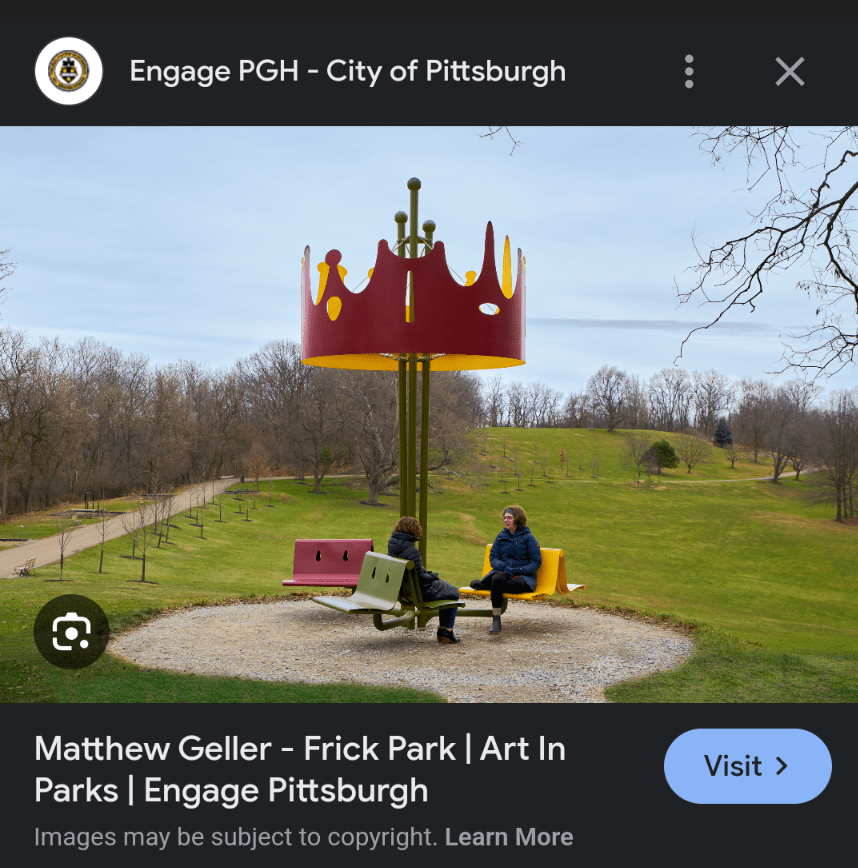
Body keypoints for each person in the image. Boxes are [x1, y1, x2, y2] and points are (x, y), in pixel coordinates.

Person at [387, 516, 461, 644]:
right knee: (453, 592)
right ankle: (446, 632)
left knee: (447, 590)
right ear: (414, 530)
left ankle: (444, 631)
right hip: (420, 592)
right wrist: (433, 576)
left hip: (406, 591)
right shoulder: (412, 550)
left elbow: (416, 572)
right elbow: (421, 578)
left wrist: (427, 574)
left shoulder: (392, 545)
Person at [470, 504, 541, 634]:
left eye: (509, 518)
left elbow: (536, 562)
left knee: (516, 585)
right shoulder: (501, 536)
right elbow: (493, 557)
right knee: (497, 579)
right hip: (504, 572)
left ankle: (488, 586)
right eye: (505, 518)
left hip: (523, 576)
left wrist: (518, 570)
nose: (506, 520)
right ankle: (496, 618)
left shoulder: (528, 538)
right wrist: (503, 567)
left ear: (517, 519)